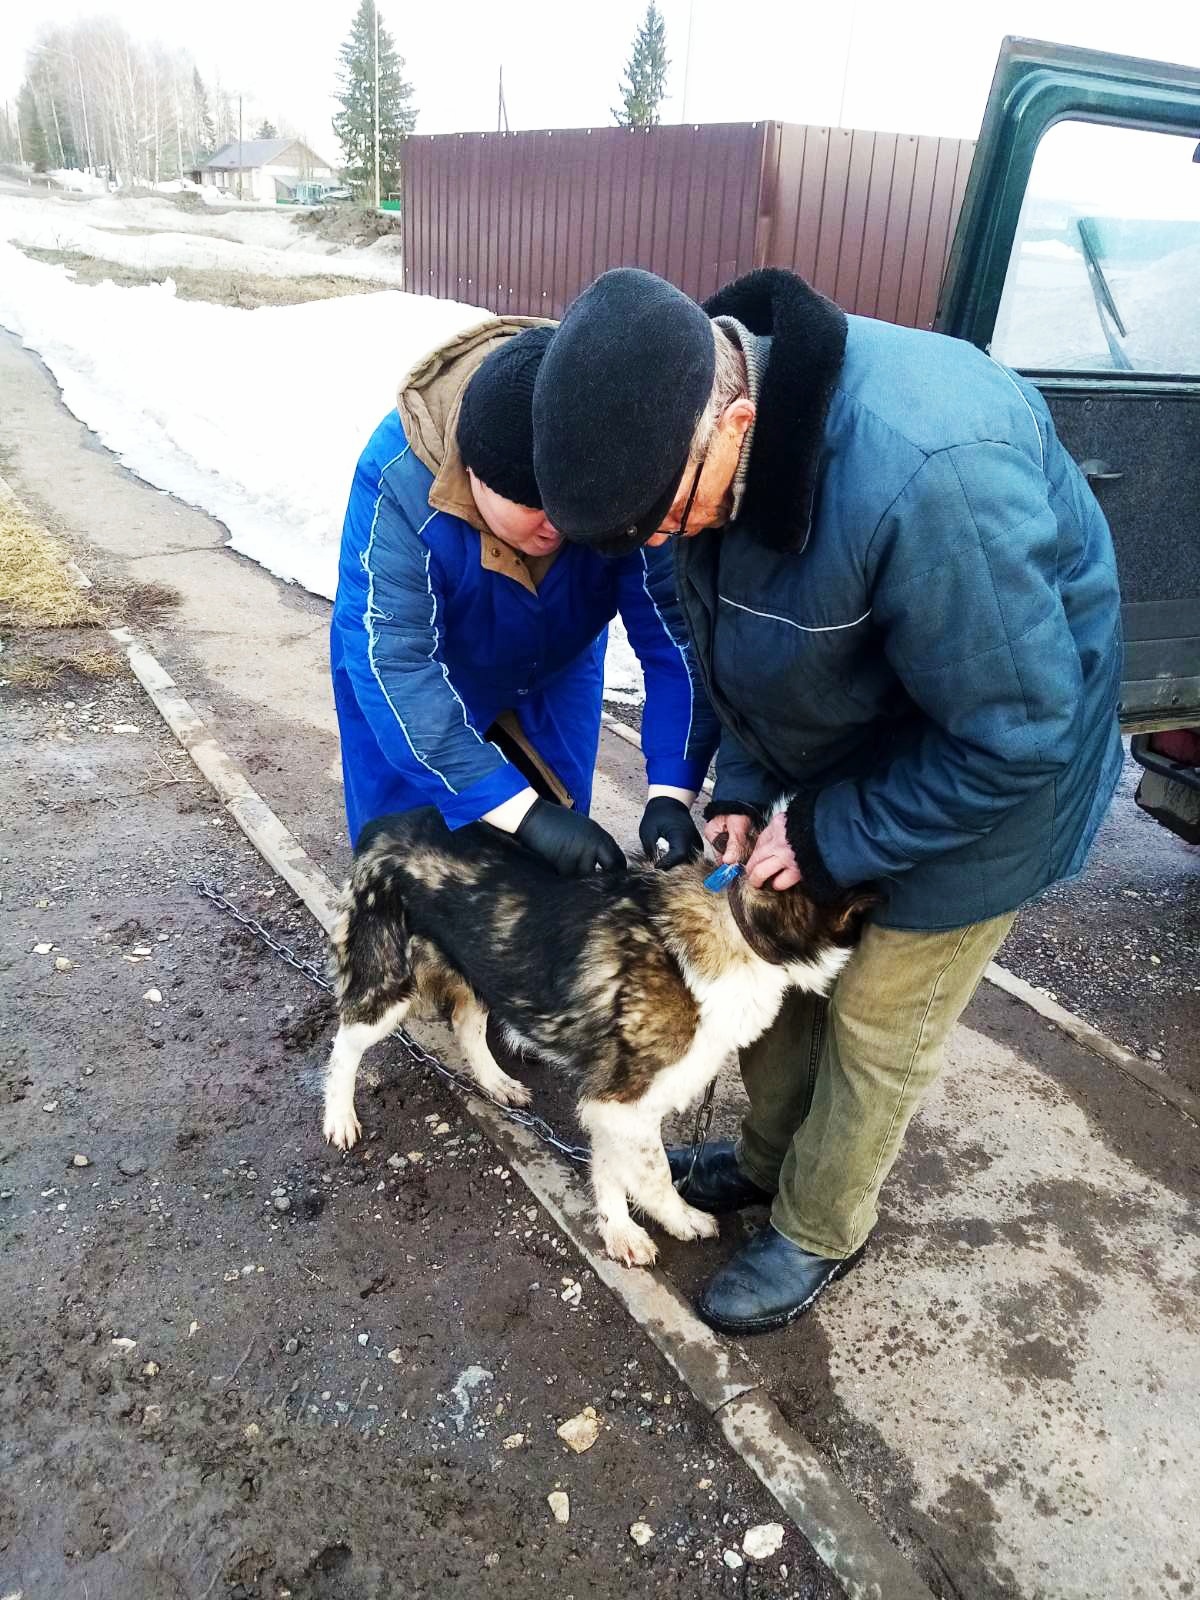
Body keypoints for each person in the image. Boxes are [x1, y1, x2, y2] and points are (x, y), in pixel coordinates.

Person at [532, 267, 1123, 1333]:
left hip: (993, 778)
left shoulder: (934, 472)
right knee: (770, 965)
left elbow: (1019, 731)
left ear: (737, 422)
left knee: (876, 1020)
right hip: (846, 747)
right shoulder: (698, 453)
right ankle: (765, 1161)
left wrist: (828, 831)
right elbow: (736, 646)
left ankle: (819, 1224)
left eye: (667, 521)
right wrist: (747, 785)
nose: (661, 542)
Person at [330, 316, 718, 878]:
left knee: (557, 856)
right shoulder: (399, 480)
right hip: (420, 675)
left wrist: (671, 792)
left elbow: (675, 637)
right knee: (412, 859)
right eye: (536, 507)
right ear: (475, 475)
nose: (558, 526)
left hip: (555, 664)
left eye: (573, 509)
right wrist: (523, 814)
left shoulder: (615, 461)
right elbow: (396, 663)